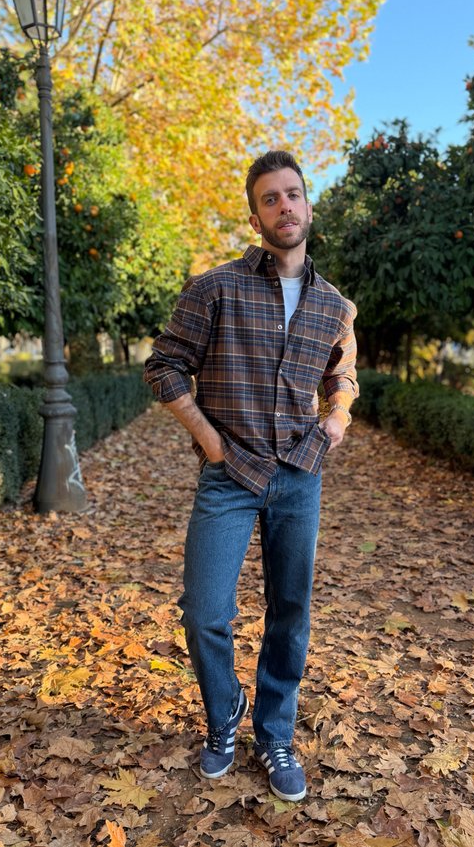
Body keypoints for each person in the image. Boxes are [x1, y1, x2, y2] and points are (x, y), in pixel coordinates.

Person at [144, 150, 358, 802]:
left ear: (308, 204)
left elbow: (341, 374)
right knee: (204, 611)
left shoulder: (336, 306)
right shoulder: (215, 288)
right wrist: (208, 439)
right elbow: (164, 366)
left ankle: (275, 731)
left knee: (290, 613)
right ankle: (224, 711)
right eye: (270, 198)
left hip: (299, 474)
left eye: (293, 194)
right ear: (255, 212)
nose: (284, 206)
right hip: (229, 474)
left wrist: (338, 416)